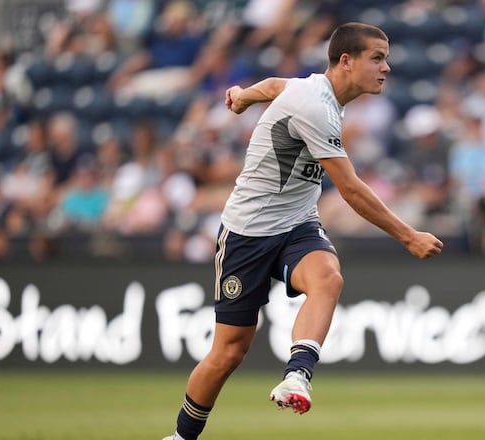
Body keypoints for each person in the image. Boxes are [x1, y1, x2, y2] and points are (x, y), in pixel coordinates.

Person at [162, 22, 443, 440]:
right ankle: (182, 436)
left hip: (296, 223)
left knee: (328, 277)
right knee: (229, 351)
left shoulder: (316, 91)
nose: (386, 68)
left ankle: (297, 376)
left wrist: (242, 95)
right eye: (377, 58)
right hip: (247, 234)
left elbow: (277, 85)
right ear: (346, 61)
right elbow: (349, 188)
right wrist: (409, 236)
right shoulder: (316, 106)